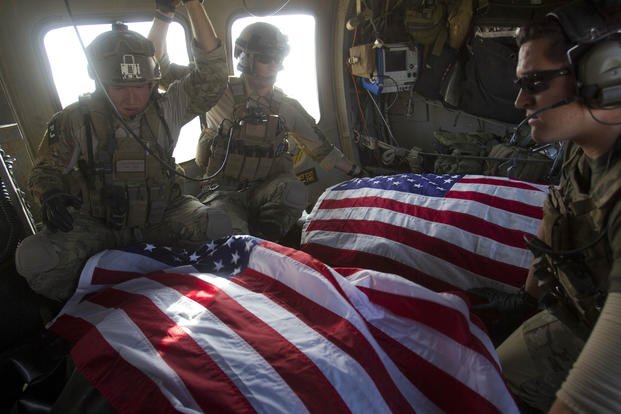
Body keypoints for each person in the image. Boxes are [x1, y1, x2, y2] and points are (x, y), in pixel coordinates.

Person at [14, 0, 232, 306]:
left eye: (141, 86)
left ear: (152, 82)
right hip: (99, 224)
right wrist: (49, 194)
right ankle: (91, 311)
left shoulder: (167, 108)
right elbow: (45, 171)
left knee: (217, 225)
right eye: (119, 87)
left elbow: (212, 77)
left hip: (162, 216)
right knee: (35, 258)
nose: (132, 97)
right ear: (100, 83)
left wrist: (194, 5)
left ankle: (184, 298)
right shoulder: (76, 120)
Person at [474, 6, 621, 414]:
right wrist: (525, 300)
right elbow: (556, 218)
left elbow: (596, 395)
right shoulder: (584, 143)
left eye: (535, 82)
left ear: (604, 76)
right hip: (580, 317)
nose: (521, 100)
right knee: (487, 381)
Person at [148, 17, 365, 242]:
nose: (273, 65)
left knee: (295, 191)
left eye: (278, 58)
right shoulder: (215, 90)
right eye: (265, 58)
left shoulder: (287, 108)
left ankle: (270, 243)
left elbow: (321, 149)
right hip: (223, 191)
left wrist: (360, 174)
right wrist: (164, 16)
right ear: (245, 58)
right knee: (229, 232)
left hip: (266, 191)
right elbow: (159, 69)